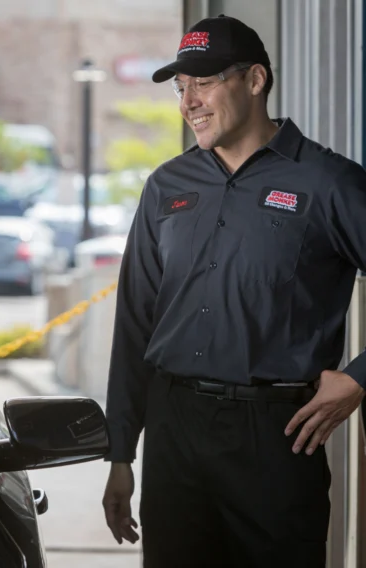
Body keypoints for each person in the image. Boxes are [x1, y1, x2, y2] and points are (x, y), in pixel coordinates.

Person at [101, 13, 366, 568]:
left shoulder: (328, 183)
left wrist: (359, 379)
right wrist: (120, 452)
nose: (188, 101)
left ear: (254, 80)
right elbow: (134, 323)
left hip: (277, 437)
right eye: (181, 87)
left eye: (204, 82)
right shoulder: (167, 187)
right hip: (175, 434)